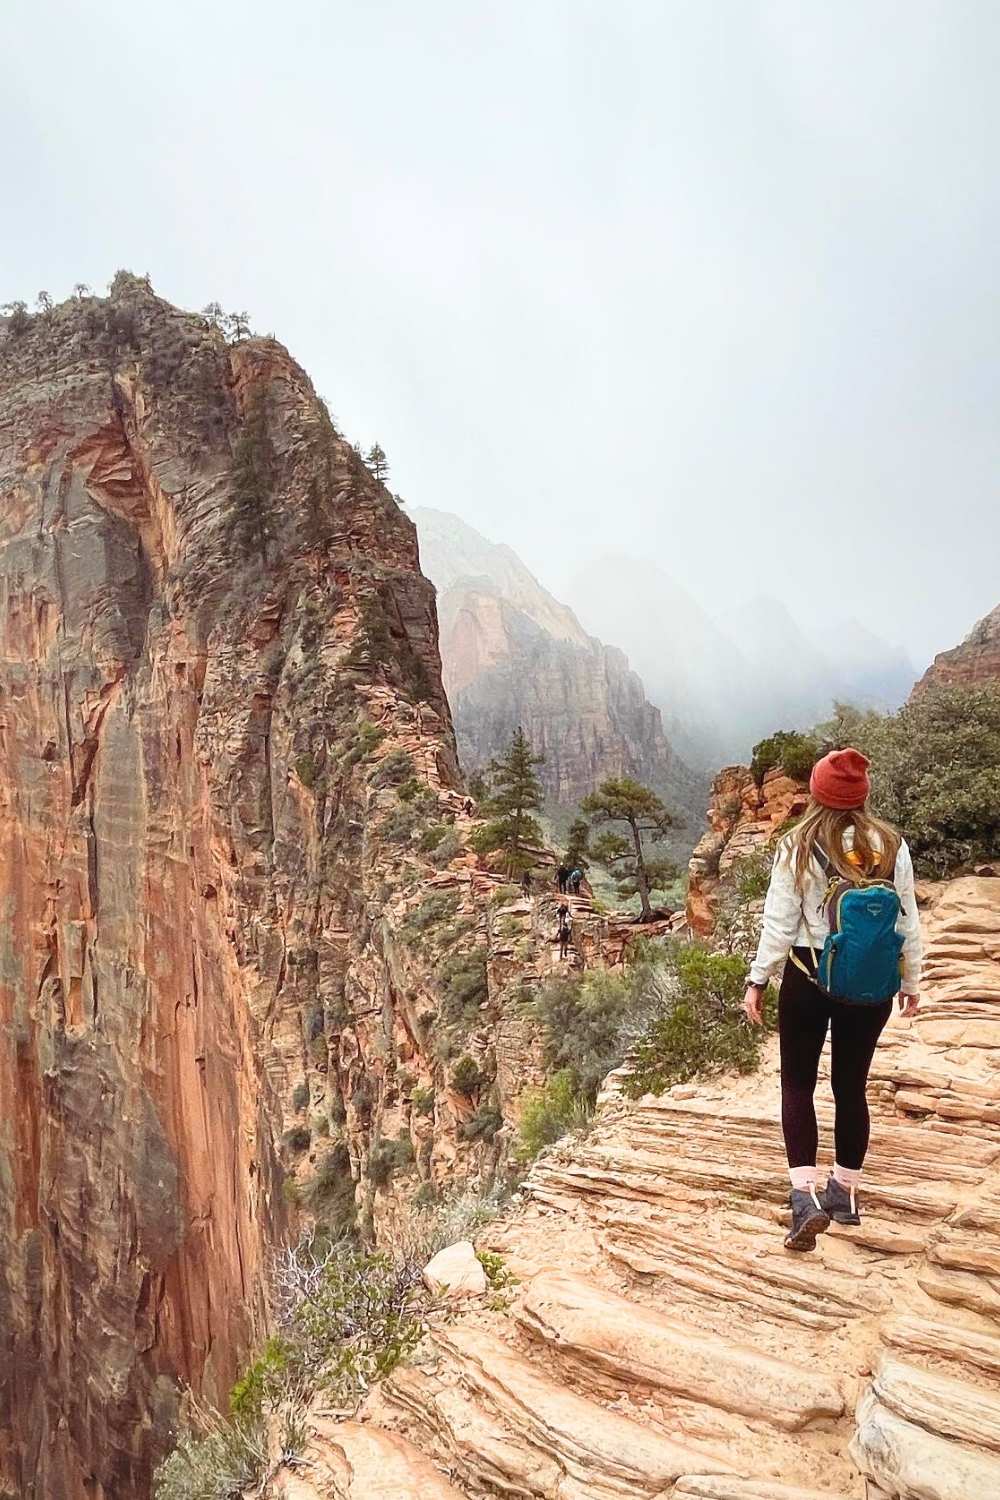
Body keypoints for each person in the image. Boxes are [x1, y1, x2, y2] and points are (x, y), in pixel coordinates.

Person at [742, 748, 921, 1252]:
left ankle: (804, 1199)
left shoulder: (799, 844)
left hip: (809, 976)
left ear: (818, 792)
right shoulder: (891, 844)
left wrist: (757, 980)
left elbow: (779, 924)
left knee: (798, 1086)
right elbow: (907, 921)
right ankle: (844, 1192)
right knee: (851, 1086)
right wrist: (911, 983)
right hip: (870, 985)